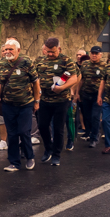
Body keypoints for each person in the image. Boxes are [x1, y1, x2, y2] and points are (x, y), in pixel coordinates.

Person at [0, 39, 39, 172]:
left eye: (11, 49)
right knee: (12, 133)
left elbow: (35, 83)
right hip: (8, 105)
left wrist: (36, 101)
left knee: (24, 131)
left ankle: (29, 157)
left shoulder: (27, 62)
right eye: (6, 49)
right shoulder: (0, 65)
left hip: (25, 104)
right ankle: (14, 162)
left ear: (18, 51)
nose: (8, 52)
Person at [32, 36, 80, 166]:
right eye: (48, 51)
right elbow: (34, 77)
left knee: (58, 128)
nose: (50, 54)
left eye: (53, 51)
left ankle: (56, 155)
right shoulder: (39, 61)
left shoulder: (66, 60)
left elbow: (74, 77)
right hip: (44, 100)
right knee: (42, 126)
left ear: (59, 48)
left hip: (61, 100)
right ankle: (48, 148)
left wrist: (63, 87)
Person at [77, 46, 106, 147]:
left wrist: (101, 96)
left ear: (100, 55)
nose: (94, 55)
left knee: (95, 116)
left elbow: (105, 81)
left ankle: (94, 137)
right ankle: (89, 133)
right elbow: (81, 79)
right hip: (85, 94)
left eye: (96, 53)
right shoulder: (85, 64)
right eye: (92, 53)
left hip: (97, 95)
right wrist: (77, 93)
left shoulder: (104, 66)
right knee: (87, 116)